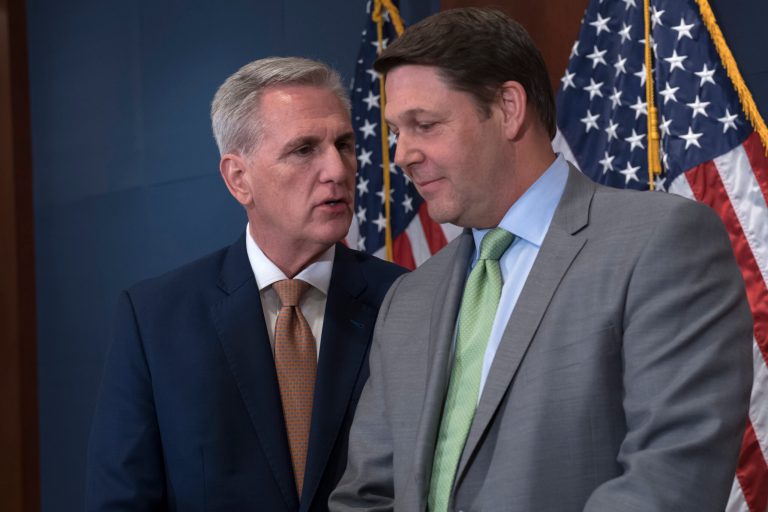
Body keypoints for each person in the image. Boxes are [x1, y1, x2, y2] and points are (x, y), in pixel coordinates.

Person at [329, 8, 752, 512]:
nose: (401, 155)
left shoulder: (661, 242)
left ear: (508, 108)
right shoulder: (408, 298)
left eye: (424, 124)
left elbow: (669, 477)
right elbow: (367, 495)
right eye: (398, 131)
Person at [86, 57, 406, 511]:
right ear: (239, 179)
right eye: (304, 150)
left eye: (345, 144)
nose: (337, 170)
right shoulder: (154, 318)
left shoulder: (407, 299)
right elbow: (121, 500)